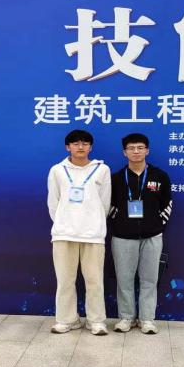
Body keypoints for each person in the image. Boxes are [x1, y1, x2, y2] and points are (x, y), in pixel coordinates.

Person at [47, 129, 112, 335]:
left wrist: (94, 223)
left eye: (85, 143)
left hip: (93, 234)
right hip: (64, 234)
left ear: (91, 147)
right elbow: (53, 202)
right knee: (65, 280)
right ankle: (67, 320)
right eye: (75, 143)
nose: (80, 147)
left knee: (94, 281)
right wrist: (64, 222)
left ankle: (96, 321)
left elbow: (105, 203)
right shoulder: (57, 170)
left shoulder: (102, 170)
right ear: (68, 147)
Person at [108, 133, 172, 334]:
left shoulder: (160, 176)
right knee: (124, 280)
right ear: (124, 152)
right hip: (122, 237)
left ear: (147, 150)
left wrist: (157, 226)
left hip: (152, 236)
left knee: (149, 280)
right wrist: (118, 224)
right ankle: (126, 317)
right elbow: (108, 206)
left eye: (140, 147)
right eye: (131, 148)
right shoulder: (116, 179)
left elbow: (167, 204)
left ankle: (147, 319)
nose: (136, 151)